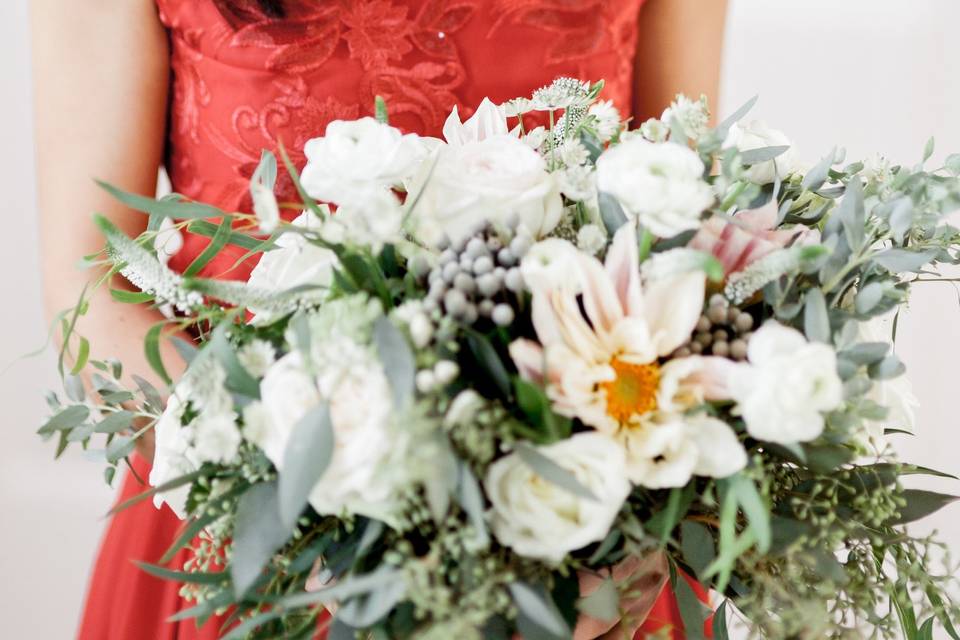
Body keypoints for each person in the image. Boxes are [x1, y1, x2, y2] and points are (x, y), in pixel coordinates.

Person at [31, 1, 728, 637]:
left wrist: (643, 523)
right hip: (272, 547)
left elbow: (682, 218)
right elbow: (88, 286)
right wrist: (308, 523)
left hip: (586, 541)